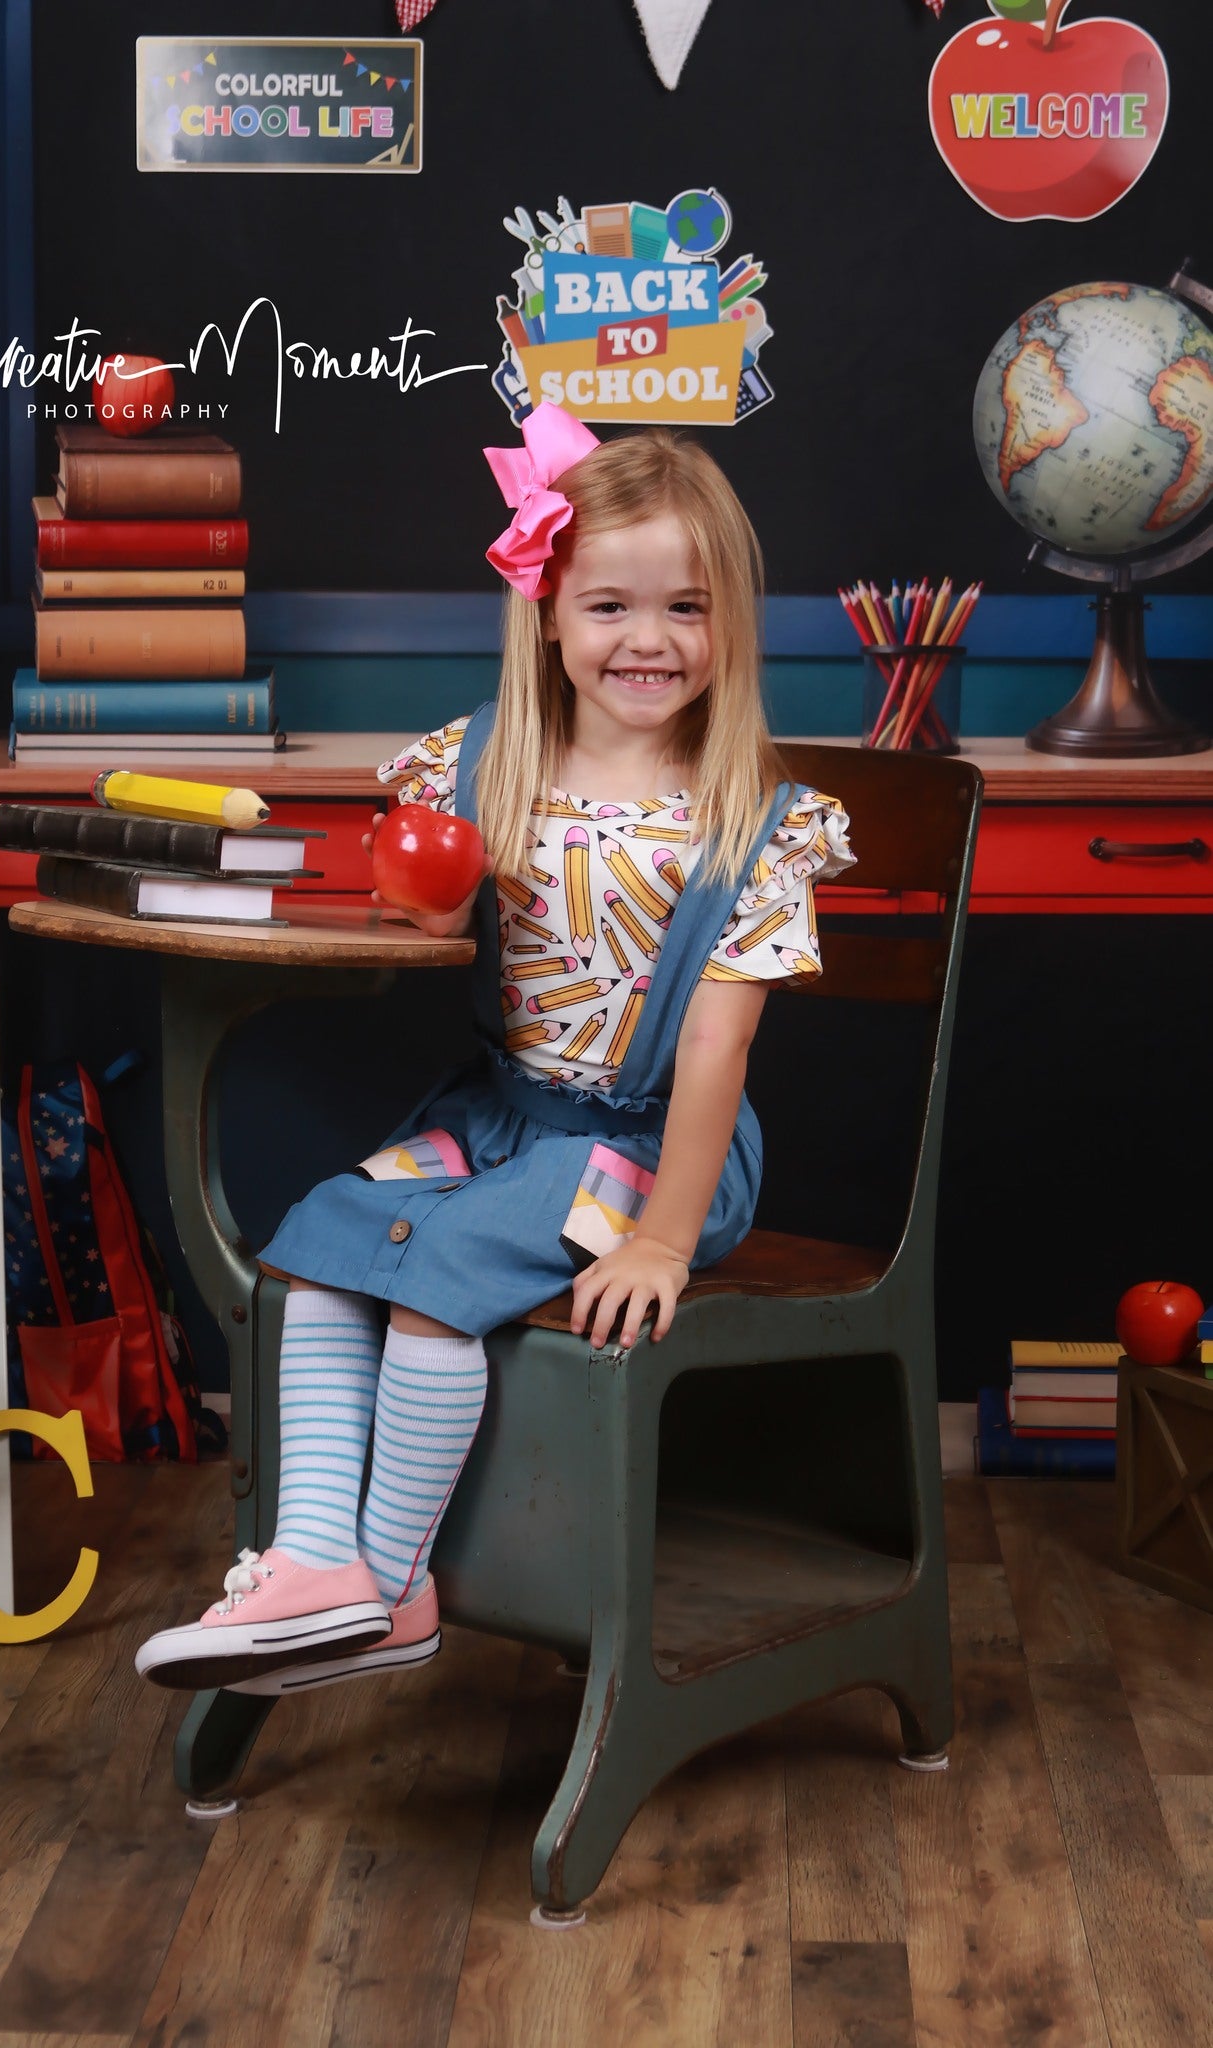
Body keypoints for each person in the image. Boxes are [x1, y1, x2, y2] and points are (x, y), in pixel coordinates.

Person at [135, 401, 854, 1695]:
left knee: (432, 1274)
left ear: (729, 625)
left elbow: (713, 1056)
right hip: (500, 1119)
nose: (647, 640)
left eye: (685, 609)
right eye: (610, 607)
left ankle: (394, 1589)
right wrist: (416, 890)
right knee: (326, 1237)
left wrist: (660, 1240)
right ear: (548, 614)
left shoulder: (756, 825)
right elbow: (418, 920)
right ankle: (314, 1571)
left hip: (648, 1149)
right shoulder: (475, 767)